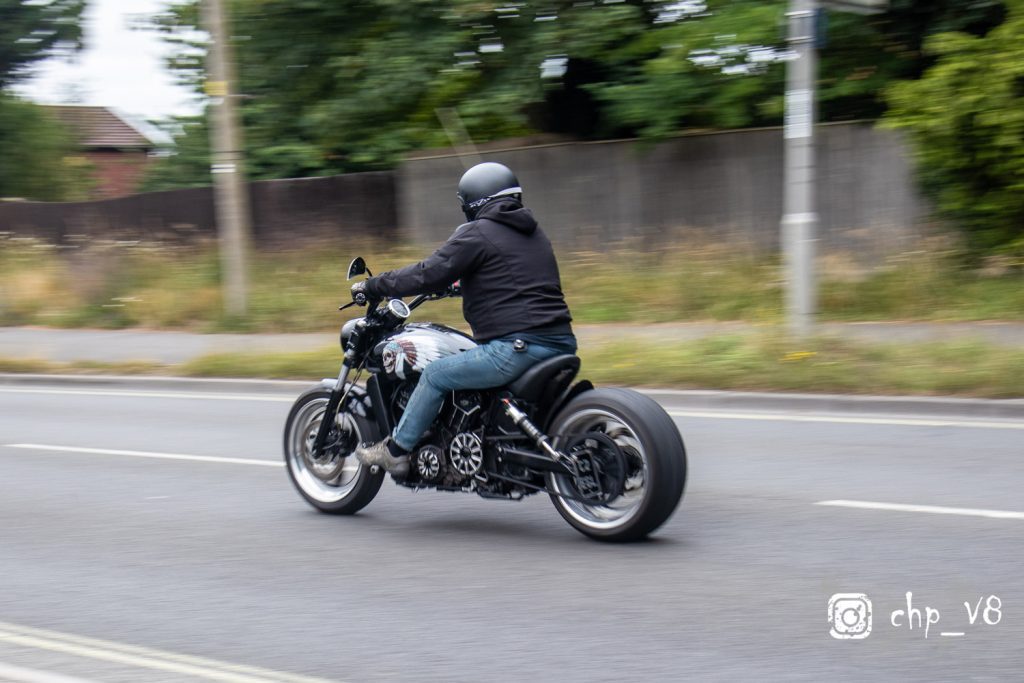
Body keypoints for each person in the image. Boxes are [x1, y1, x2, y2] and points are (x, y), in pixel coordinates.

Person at [352, 161, 576, 476]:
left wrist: (374, 285)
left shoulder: (477, 233)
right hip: (561, 342)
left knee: (435, 374)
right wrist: (464, 284)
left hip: (515, 348)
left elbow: (427, 273)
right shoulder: (534, 234)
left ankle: (395, 451)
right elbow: (512, 278)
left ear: (472, 202)